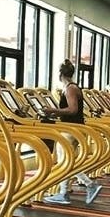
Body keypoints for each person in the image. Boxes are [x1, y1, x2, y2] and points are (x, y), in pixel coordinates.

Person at [41, 59, 102, 205]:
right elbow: (70, 111)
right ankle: (63, 193)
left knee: (65, 162)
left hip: (71, 129)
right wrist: (56, 114)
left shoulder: (70, 89)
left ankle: (90, 185)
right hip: (73, 128)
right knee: (67, 161)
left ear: (60, 74)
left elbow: (72, 109)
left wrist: (52, 110)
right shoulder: (71, 87)